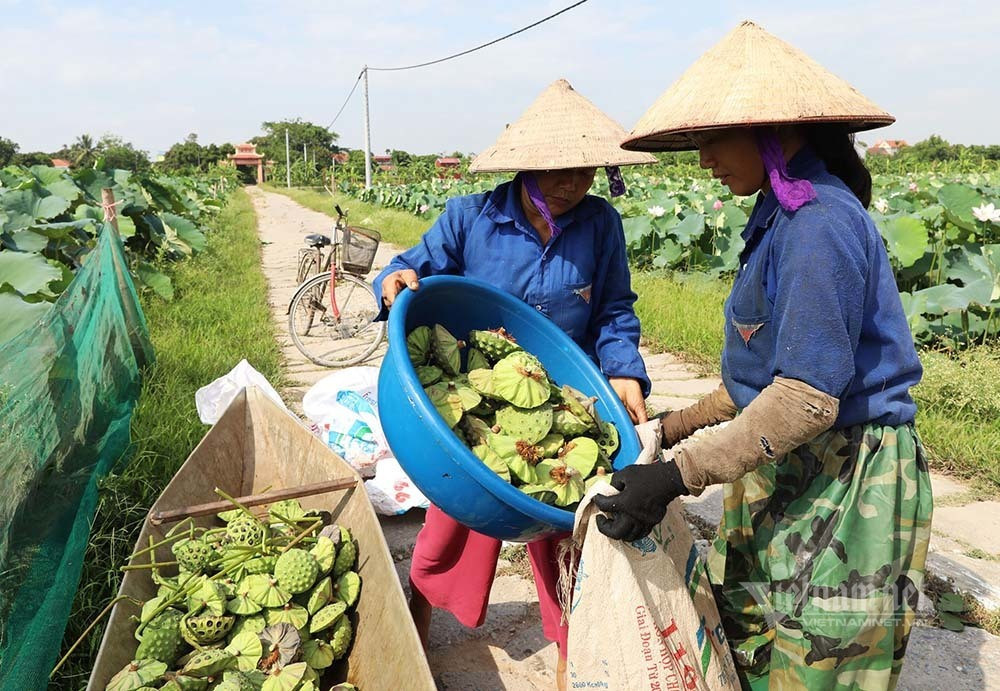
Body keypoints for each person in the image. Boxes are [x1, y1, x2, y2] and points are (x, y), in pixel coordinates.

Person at [596, 21, 933, 691]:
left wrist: (678, 476)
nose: (703, 160)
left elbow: (806, 397)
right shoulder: (777, 217)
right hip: (784, 460)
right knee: (747, 643)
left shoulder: (819, 224)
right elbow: (757, 381)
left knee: (820, 664)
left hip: (850, 476)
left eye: (713, 139)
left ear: (773, 131)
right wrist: (668, 431)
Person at [373, 78, 655, 688]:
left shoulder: (600, 224)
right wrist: (394, 282)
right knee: (449, 525)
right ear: (526, 163)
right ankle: (415, 629)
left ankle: (566, 658)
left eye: (584, 168)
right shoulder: (471, 217)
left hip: (558, 402)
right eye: (557, 168)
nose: (573, 181)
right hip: (479, 395)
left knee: (563, 531)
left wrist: (625, 370)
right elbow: (407, 268)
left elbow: (614, 309)